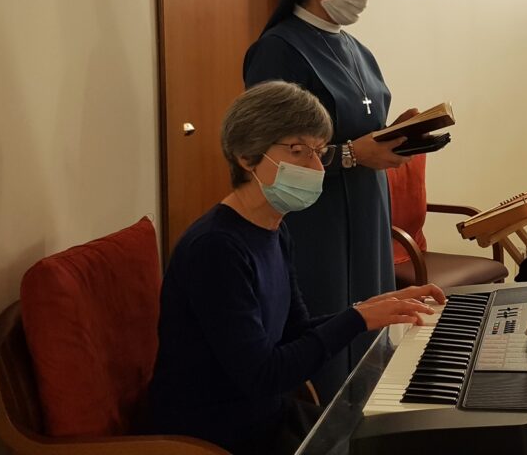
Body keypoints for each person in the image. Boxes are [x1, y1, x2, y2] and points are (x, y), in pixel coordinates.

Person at [148, 81, 445, 454]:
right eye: (298, 150)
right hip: (211, 437)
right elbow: (264, 375)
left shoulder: (274, 229)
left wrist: (373, 308)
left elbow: (295, 332)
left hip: (265, 417)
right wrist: (357, 319)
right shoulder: (216, 248)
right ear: (246, 156)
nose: (316, 166)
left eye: (319, 151)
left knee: (400, 440)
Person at [242, 0, 417, 399]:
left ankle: (368, 419)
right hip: (315, 218)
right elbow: (269, 150)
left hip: (368, 209)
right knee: (326, 328)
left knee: (372, 327)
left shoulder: (359, 51)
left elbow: (365, 127)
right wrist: (352, 154)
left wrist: (398, 136)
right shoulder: (280, 49)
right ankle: (323, 424)